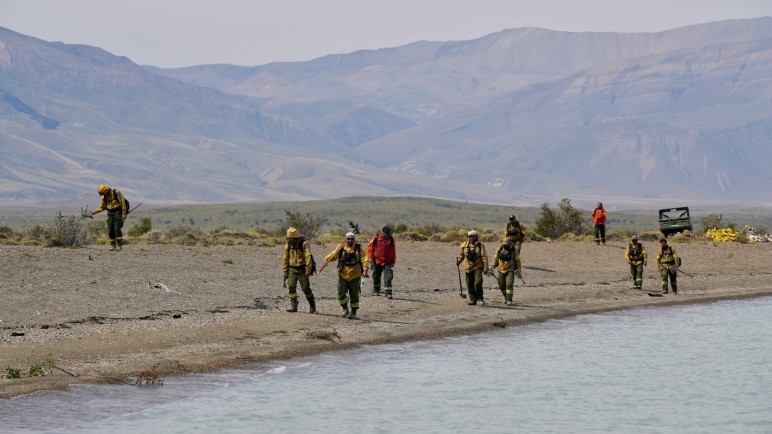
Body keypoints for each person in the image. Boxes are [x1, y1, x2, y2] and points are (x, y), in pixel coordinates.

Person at [322, 232, 369, 319]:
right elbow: (334, 254)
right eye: (348, 239)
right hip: (343, 274)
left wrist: (365, 269)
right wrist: (326, 259)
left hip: (355, 274)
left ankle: (353, 312)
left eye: (352, 239)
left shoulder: (358, 248)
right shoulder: (341, 247)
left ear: (354, 240)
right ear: (346, 239)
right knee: (341, 292)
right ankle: (345, 308)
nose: (350, 240)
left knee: (354, 294)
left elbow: (364, 259)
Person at [282, 227, 316, 313]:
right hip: (292, 269)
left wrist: (308, 270)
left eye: (292, 239)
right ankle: (294, 306)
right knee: (291, 286)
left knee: (305, 288)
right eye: (289, 239)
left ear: (296, 238)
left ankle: (312, 304)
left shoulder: (304, 245)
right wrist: (285, 270)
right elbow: (285, 258)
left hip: (302, 269)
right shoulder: (288, 246)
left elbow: (308, 257)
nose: (291, 240)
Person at [89, 184, 127, 251]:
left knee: (117, 228)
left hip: (117, 211)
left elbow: (122, 202)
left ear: (106, 189)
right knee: (110, 229)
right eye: (102, 193)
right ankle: (113, 245)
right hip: (110, 213)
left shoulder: (116, 192)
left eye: (104, 192)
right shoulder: (104, 197)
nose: (104, 194)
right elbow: (103, 207)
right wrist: (94, 212)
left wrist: (124, 214)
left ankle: (119, 245)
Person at [456, 230, 489, 305]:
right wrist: (459, 261)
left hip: (477, 266)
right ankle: (472, 299)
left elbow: (484, 256)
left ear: (476, 237)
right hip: (468, 267)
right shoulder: (464, 245)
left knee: (478, 282)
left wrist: (486, 267)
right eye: (470, 237)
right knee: (469, 284)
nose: (472, 238)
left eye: (474, 236)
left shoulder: (480, 245)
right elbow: (462, 255)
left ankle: (480, 298)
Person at [366, 226, 397, 299]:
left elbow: (393, 250)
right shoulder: (376, 237)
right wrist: (369, 257)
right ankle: (376, 290)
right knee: (376, 275)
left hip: (387, 260)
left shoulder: (391, 239)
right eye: (385, 234)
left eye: (388, 234)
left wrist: (393, 261)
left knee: (389, 276)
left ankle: (388, 293)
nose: (386, 235)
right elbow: (370, 247)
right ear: (382, 232)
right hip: (376, 260)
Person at [491, 239, 519, 305]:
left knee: (509, 284)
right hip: (501, 270)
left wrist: (519, 270)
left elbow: (517, 260)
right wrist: (493, 266)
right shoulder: (499, 249)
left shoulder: (513, 250)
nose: (504, 246)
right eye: (503, 244)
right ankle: (506, 297)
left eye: (506, 244)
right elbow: (496, 258)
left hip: (510, 270)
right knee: (501, 285)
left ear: (509, 244)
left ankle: (509, 299)